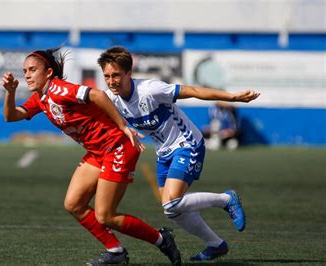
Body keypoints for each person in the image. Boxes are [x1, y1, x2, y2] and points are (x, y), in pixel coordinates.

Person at [1, 48, 181, 265]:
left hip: (117, 148)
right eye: (25, 71)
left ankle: (162, 239)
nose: (27, 75)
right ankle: (116, 251)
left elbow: (97, 94)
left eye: (32, 70)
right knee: (74, 204)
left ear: (48, 72)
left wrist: (122, 126)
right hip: (97, 153)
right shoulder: (40, 98)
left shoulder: (60, 89)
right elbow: (11, 116)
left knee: (105, 216)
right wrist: (10, 92)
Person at [97, 46, 260, 261]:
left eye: (116, 75)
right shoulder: (112, 99)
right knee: (172, 210)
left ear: (129, 73)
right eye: (107, 76)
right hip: (164, 152)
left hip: (187, 143)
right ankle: (216, 244)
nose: (111, 81)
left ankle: (226, 199)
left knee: (172, 202)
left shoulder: (150, 90)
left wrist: (232, 97)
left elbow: (192, 90)